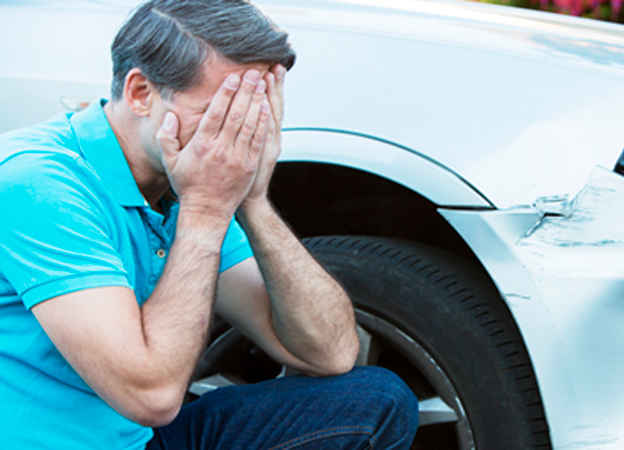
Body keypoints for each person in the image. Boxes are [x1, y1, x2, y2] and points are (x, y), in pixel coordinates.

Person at [0, 0, 418, 448]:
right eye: (223, 112)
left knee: (376, 398)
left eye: (255, 112)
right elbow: (152, 397)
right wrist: (206, 211)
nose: (240, 138)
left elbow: (329, 352)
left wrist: (253, 201)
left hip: (137, 439)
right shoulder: (36, 183)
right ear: (141, 92)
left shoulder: (185, 179)